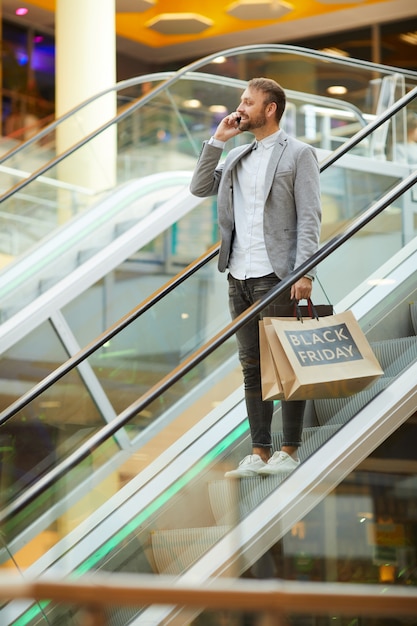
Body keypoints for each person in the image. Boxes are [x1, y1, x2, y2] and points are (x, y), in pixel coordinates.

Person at [190, 77, 322, 478]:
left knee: (287, 363)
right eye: (240, 101)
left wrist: (305, 272)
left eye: (248, 102)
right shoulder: (238, 157)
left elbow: (310, 217)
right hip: (239, 274)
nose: (240, 107)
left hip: (278, 275)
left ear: (271, 108)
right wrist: (218, 140)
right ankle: (259, 451)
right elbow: (199, 188)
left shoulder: (299, 154)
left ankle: (289, 448)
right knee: (252, 366)